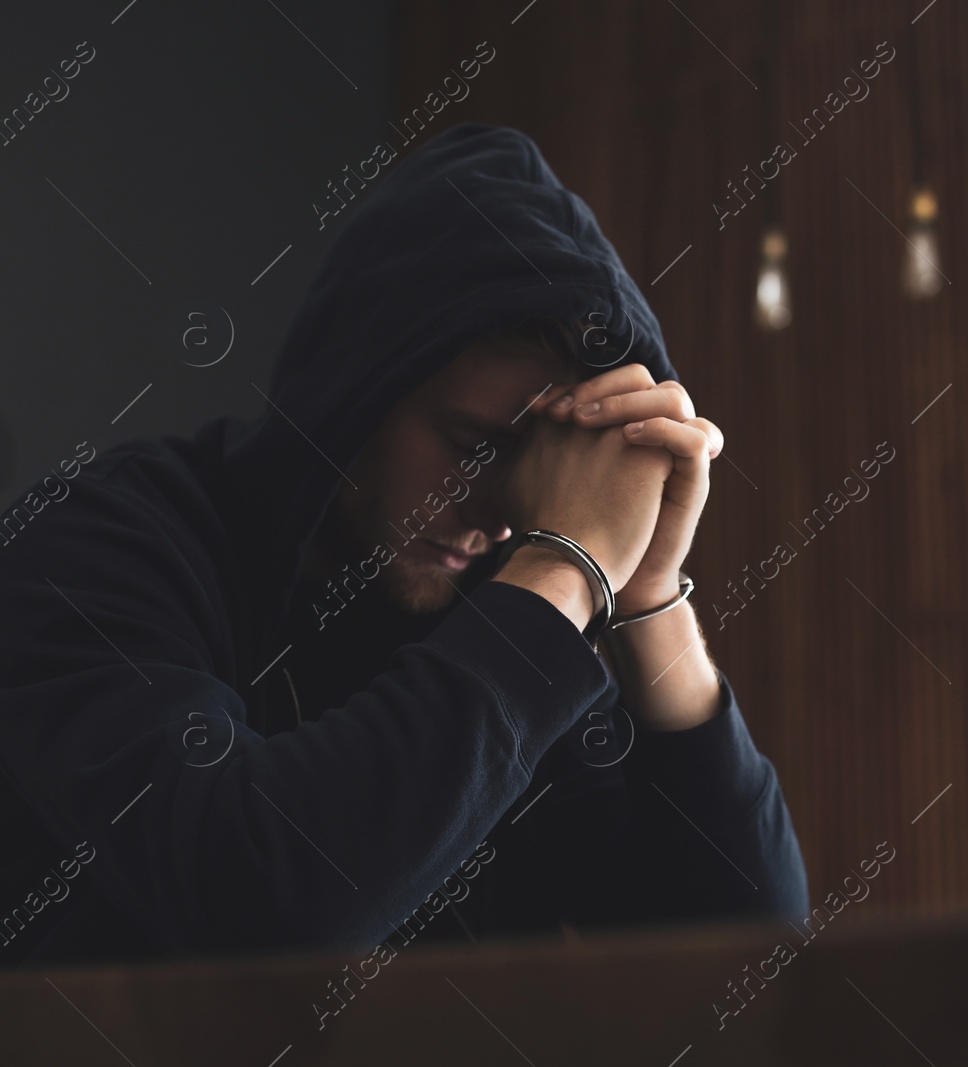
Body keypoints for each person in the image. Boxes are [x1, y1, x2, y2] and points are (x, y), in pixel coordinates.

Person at [0, 123, 808, 966]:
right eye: (476, 447)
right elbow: (260, 899)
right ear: (361, 385)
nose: (504, 517)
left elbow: (751, 958)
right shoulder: (98, 545)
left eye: (538, 476)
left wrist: (645, 592)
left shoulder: (512, 598)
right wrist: (565, 563)